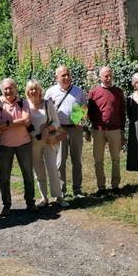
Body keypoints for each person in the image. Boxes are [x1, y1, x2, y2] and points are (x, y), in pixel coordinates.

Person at [0, 78, 35, 216]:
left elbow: (27, 120)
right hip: (5, 146)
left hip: (24, 143)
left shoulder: (24, 102)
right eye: (5, 88)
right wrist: (17, 122)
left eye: (11, 88)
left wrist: (8, 123)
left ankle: (30, 203)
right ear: (1, 90)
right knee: (4, 176)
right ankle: (6, 205)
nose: (8, 91)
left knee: (28, 174)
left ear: (16, 88)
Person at [45, 65, 88, 198]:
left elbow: (84, 106)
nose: (66, 77)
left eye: (68, 74)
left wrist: (81, 116)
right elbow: (45, 111)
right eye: (63, 75)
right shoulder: (50, 92)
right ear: (56, 77)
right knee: (60, 161)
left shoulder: (78, 91)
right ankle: (61, 190)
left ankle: (77, 189)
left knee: (77, 160)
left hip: (75, 129)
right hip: (59, 130)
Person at [26, 79, 68, 208]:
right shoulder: (24, 105)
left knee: (52, 169)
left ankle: (59, 196)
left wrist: (47, 129)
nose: (34, 91)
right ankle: (44, 197)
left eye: (36, 88)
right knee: (38, 171)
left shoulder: (47, 104)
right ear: (28, 92)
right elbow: (24, 123)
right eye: (31, 89)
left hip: (48, 141)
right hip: (33, 142)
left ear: (40, 90)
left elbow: (56, 122)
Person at [87, 66, 126, 195]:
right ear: (100, 77)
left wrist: (122, 130)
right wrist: (89, 126)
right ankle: (101, 187)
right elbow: (88, 111)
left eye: (110, 75)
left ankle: (115, 186)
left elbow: (122, 112)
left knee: (115, 159)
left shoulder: (118, 92)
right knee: (98, 160)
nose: (108, 78)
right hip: (98, 131)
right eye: (105, 76)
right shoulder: (93, 92)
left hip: (115, 130)